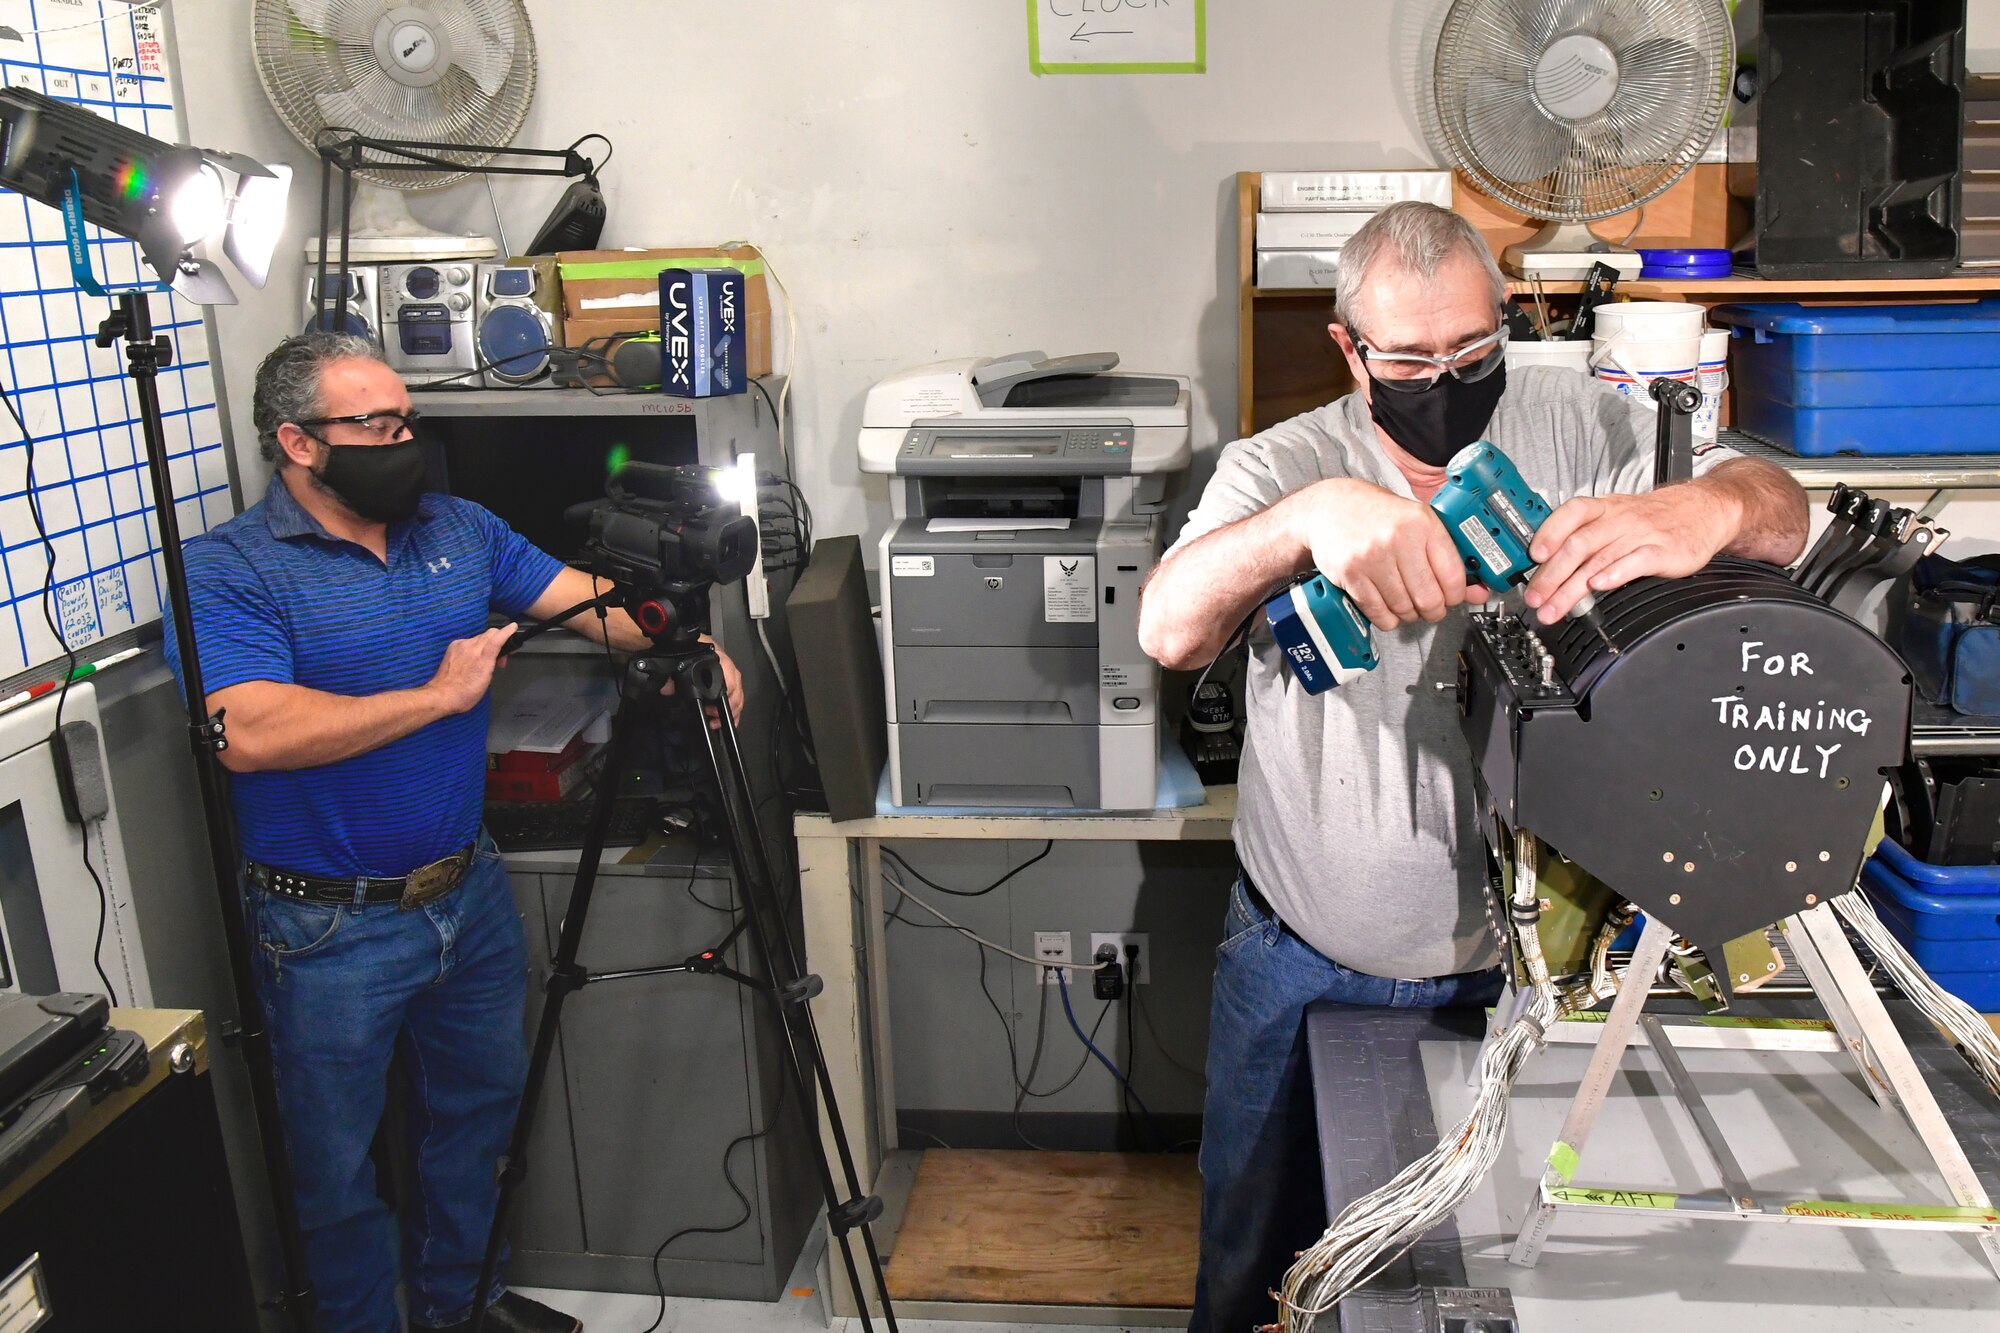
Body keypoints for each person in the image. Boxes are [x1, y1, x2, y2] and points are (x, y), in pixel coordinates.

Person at [1136, 202, 1808, 1333]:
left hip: (1524, 973)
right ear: (1349, 347)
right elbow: (1167, 629)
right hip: (1305, 950)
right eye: (1407, 357)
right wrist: (1313, 520)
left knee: (1469, 1281)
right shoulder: (1284, 462)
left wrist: (1703, 507)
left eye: (1471, 350)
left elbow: (1781, 517)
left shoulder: (1584, 428)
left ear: (1505, 319)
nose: (1442, 378)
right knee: (1254, 1255)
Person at [165, 332, 743, 1333]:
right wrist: (434, 699)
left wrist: (687, 639)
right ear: (297, 443)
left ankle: (462, 1308)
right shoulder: (227, 571)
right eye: (375, 425)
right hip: (326, 927)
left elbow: (589, 605)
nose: (401, 443)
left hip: (463, 897)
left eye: (407, 420)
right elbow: (249, 733)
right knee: (335, 1170)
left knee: (476, 1124)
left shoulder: (457, 529)